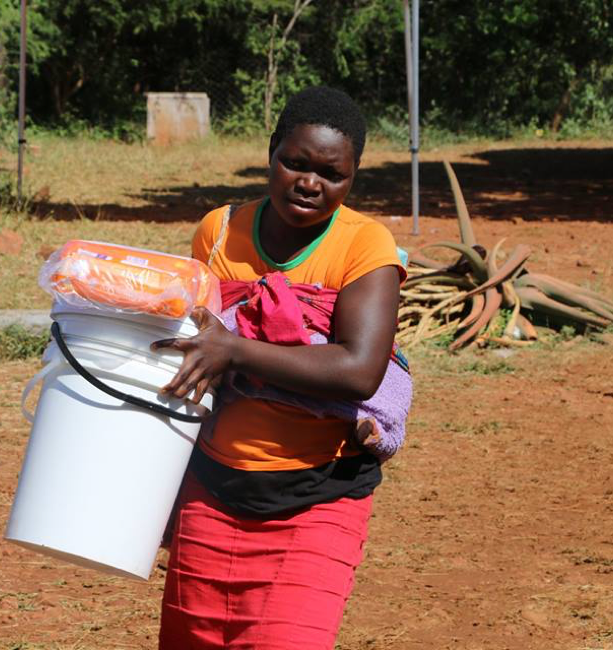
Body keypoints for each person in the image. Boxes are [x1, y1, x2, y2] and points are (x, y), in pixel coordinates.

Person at [151, 86, 408, 649]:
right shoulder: (218, 233)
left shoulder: (365, 245)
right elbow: (190, 338)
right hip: (211, 490)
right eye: (295, 163)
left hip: (318, 497)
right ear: (271, 153)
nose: (310, 183)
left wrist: (236, 350)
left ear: (353, 176)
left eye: (332, 173)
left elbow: (359, 369)